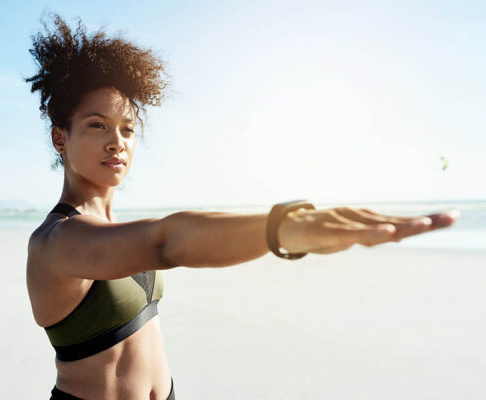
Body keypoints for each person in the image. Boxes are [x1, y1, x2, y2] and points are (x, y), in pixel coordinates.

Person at [24, 14, 459, 400]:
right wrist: (282, 228)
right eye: (97, 125)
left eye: (128, 128)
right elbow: (167, 241)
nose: (116, 141)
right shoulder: (56, 243)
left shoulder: (114, 228)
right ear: (60, 137)